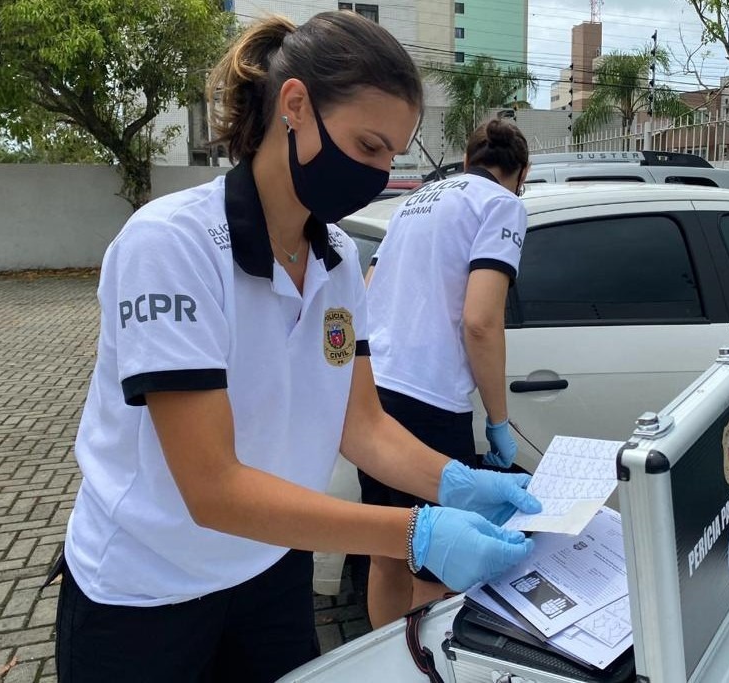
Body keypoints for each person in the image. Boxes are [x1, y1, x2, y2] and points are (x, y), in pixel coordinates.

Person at [53, 12, 541, 683]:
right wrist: (416, 531)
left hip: (270, 567)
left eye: (392, 155)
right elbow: (212, 488)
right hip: (145, 593)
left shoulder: (338, 260)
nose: (378, 172)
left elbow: (362, 424)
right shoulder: (171, 245)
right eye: (368, 145)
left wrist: (457, 482)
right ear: (295, 108)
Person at [361, 119, 532, 626]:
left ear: (466, 161)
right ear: (521, 172)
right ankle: (422, 666)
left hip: (373, 391)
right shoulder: (502, 204)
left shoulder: (415, 202)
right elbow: (480, 322)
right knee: (435, 572)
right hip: (429, 402)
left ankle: (387, 668)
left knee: (386, 545)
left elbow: (368, 287)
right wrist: (498, 422)